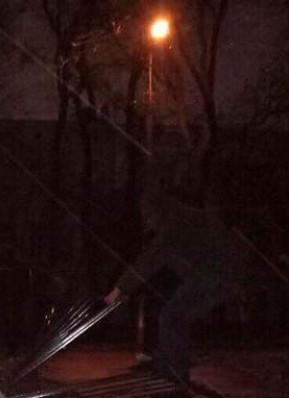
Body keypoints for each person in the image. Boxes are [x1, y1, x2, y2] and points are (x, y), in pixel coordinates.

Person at [104, 161, 247, 386]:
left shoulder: (175, 225)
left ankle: (173, 371)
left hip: (216, 275)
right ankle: (168, 365)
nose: (148, 223)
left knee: (172, 316)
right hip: (214, 274)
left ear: (156, 211)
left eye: (148, 217)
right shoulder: (183, 219)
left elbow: (151, 259)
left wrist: (119, 288)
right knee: (175, 315)